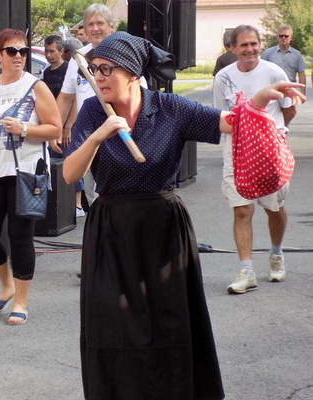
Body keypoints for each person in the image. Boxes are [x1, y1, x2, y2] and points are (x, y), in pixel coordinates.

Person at [63, 31, 304, 400]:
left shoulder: (169, 108)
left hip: (163, 226)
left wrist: (259, 100)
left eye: (106, 69)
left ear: (132, 73)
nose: (98, 77)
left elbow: (230, 121)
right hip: (111, 229)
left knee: (169, 322)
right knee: (112, 324)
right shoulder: (94, 111)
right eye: (94, 69)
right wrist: (98, 136)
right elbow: (70, 174)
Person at [0, 28, 61, 325]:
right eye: (12, 51)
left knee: (20, 236)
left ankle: (21, 301)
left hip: (26, 171)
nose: (19, 56)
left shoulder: (35, 86)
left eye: (23, 51)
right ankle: (6, 284)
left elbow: (55, 128)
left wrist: (25, 129)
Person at [213, 25, 296, 294]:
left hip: (269, 149)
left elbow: (289, 110)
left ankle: (276, 254)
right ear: (232, 48)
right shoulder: (223, 77)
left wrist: (277, 133)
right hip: (236, 149)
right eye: (243, 45)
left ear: (260, 45)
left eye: (254, 44)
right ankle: (246, 271)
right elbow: (221, 117)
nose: (249, 49)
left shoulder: (274, 72)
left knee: (274, 208)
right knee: (242, 210)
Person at [56, 4, 115, 209]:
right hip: (88, 138)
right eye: (90, 24)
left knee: (116, 197)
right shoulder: (78, 59)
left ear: (111, 27)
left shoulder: (123, 53)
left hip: (118, 136)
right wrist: (56, 128)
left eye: (100, 23)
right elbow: (65, 98)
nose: (95, 28)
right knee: (95, 199)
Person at [41, 35, 85, 217]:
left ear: (61, 51)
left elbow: (73, 100)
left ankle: (78, 204)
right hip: (54, 125)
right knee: (54, 164)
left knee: (71, 161)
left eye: (52, 51)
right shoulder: (46, 72)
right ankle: (58, 205)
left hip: (69, 126)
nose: (48, 55)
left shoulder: (69, 69)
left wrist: (67, 127)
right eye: (46, 51)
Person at [261, 24, 306, 97]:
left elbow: (301, 73)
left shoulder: (296, 54)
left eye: (286, 36)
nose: (283, 38)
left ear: (291, 38)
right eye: (281, 36)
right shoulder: (268, 53)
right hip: (272, 91)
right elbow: (260, 70)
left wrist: (302, 93)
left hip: (290, 92)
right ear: (277, 37)